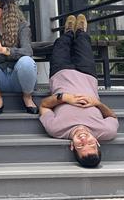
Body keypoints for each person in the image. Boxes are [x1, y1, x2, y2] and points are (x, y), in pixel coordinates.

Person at [39, 14, 119, 168]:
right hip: (87, 75)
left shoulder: (56, 130)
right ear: (97, 143)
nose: (84, 140)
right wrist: (97, 103)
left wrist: (64, 98)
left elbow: (43, 106)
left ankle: (69, 31)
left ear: (72, 146)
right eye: (90, 143)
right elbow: (112, 116)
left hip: (60, 74)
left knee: (61, 43)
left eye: (81, 146)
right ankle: (80, 30)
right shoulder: (106, 131)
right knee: (83, 41)